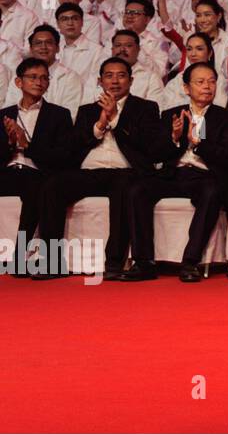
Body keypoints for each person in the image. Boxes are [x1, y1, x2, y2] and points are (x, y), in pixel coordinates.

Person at [33, 57, 162, 279]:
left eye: (121, 75)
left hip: (125, 171)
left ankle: (113, 263)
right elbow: (73, 147)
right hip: (89, 171)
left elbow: (148, 146)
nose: (115, 81)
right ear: (99, 81)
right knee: (53, 185)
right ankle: (51, 262)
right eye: (109, 76)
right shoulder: (87, 111)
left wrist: (116, 121)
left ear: (131, 80)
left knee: (125, 188)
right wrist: (100, 125)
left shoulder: (146, 108)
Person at [120, 62, 228, 282]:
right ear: (186, 88)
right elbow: (154, 154)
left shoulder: (227, 118)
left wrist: (198, 144)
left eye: (212, 82)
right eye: (200, 82)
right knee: (137, 190)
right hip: (173, 174)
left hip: (205, 176)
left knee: (212, 191)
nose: (207, 87)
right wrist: (174, 139)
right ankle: (143, 261)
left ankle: (190, 261)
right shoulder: (171, 115)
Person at [0, 58, 74, 261]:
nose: (39, 82)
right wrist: (9, 142)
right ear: (18, 82)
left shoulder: (59, 115)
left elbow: (63, 157)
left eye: (44, 78)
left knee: (35, 186)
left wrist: (27, 145)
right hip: (7, 172)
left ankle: (21, 253)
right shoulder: (4, 115)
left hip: (37, 173)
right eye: (33, 77)